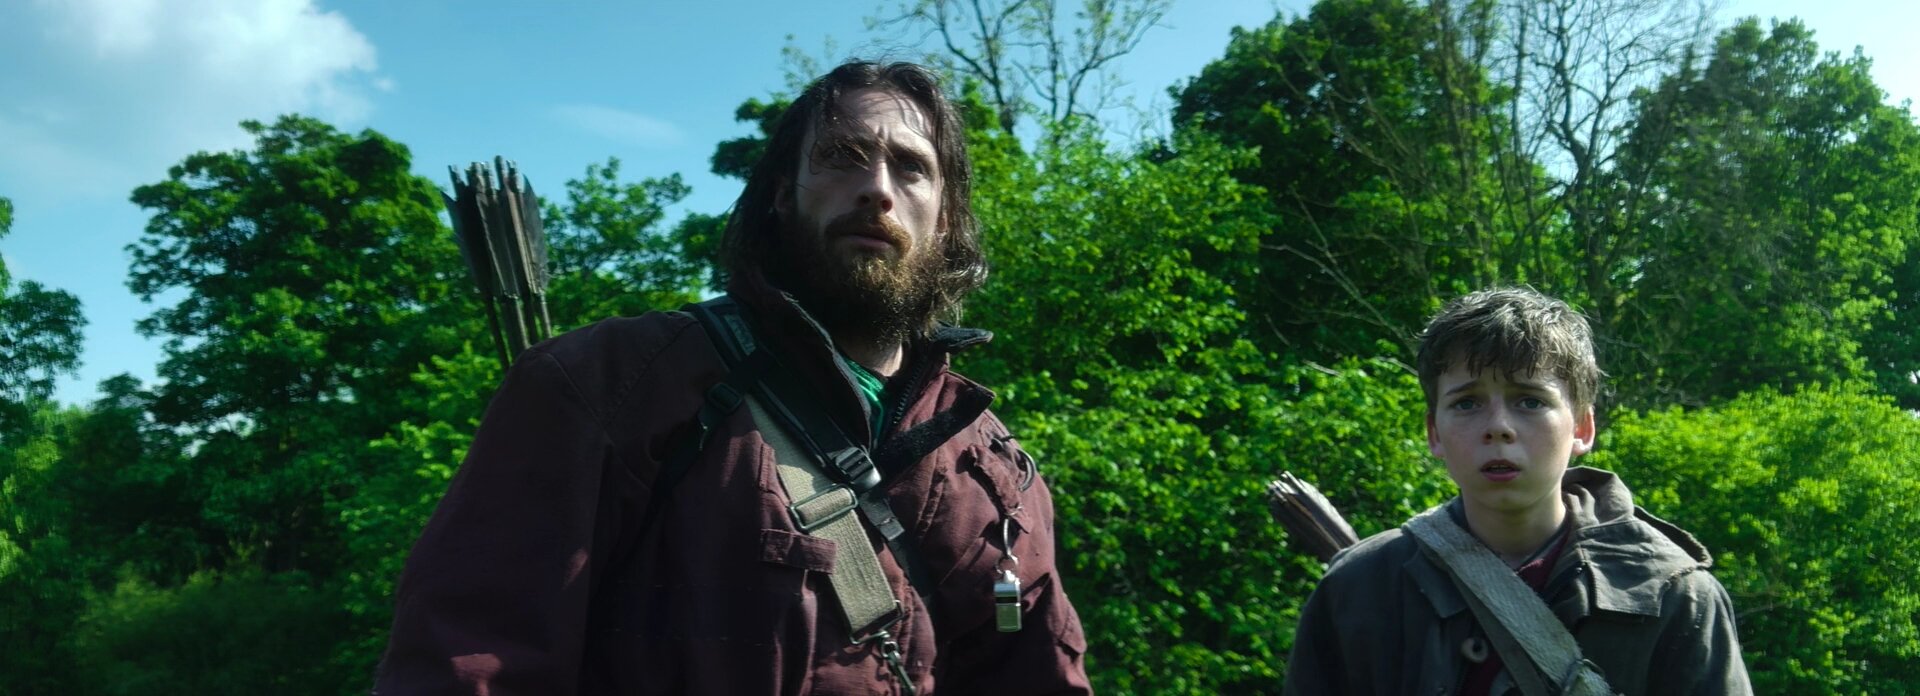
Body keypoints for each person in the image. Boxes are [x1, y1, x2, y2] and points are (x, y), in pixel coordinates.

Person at [374, 61, 1091, 695]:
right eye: (842, 157)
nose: (877, 188)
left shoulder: (994, 470)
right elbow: (468, 663)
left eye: (910, 168)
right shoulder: (607, 385)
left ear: (946, 218)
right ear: (781, 194)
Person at [1281, 287, 1752, 695]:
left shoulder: (1675, 596)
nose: (1499, 427)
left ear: (1582, 428)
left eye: (1530, 400)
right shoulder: (1356, 589)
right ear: (1434, 433)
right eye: (1467, 403)